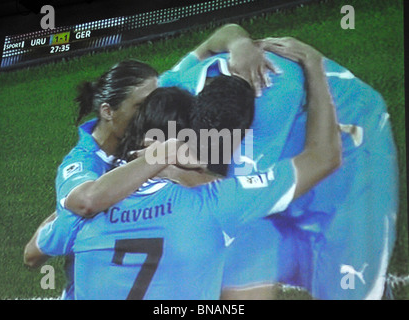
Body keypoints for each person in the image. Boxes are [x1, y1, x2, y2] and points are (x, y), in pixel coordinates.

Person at [57, 48, 341, 298]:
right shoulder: (217, 199)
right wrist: (314, 65)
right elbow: (323, 157)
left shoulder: (93, 205)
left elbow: (34, 251)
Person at [23, 23, 276, 299]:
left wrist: (240, 44)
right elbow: (85, 202)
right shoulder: (85, 163)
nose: (153, 107)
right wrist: (165, 157)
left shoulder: (155, 98)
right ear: (109, 111)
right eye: (142, 106)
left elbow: (220, 36)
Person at [160, 32, 398, 299]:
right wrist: (238, 41)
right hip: (296, 129)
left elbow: (323, 159)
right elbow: (219, 35)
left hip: (353, 132)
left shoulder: (265, 120)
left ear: (244, 132)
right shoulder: (176, 83)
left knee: (344, 264)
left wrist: (313, 62)